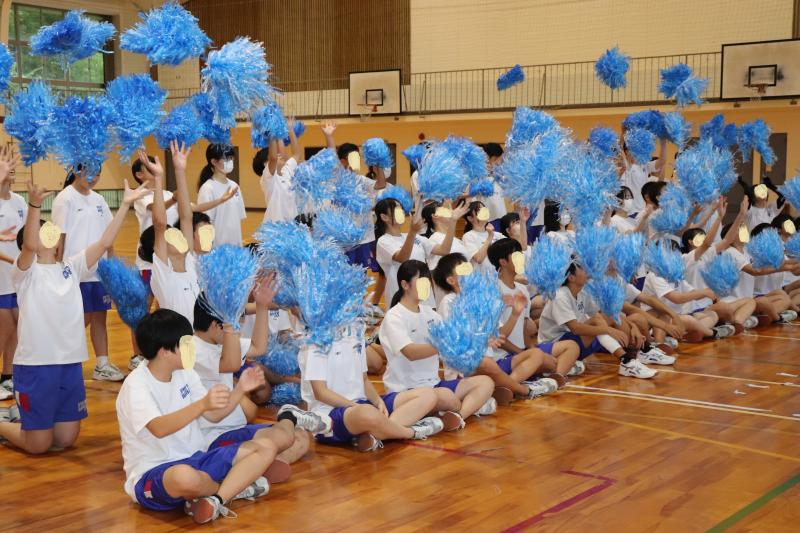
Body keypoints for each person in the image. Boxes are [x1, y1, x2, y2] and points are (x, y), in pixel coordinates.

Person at [118, 309, 321, 524]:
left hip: (198, 457)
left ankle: (217, 498)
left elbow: (213, 416)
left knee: (267, 447)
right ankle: (236, 486)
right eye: (186, 344)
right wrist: (201, 405)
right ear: (164, 352)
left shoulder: (185, 373)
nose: (192, 348)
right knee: (184, 477)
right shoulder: (136, 384)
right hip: (154, 471)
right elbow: (159, 428)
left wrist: (241, 389)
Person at [0, 177, 146, 454]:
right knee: (39, 445)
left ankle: (22, 417)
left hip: (69, 364)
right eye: (42, 233)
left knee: (66, 439)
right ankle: (4, 424)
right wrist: (34, 205)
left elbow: (104, 242)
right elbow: (29, 245)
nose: (50, 237)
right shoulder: (25, 273)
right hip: (36, 366)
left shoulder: (72, 267)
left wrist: (126, 204)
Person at [191, 287, 314, 481]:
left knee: (301, 437)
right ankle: (256, 464)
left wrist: (262, 307)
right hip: (214, 436)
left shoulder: (220, 341)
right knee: (280, 438)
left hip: (236, 426)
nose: (236, 329)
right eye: (233, 324)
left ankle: (262, 465)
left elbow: (259, 347)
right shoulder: (193, 349)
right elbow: (231, 364)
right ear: (215, 325)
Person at [434, 252, 572, 403]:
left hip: (492, 363)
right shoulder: (449, 302)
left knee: (536, 355)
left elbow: (500, 335)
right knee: (485, 363)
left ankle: (504, 387)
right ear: (451, 280)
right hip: (465, 368)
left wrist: (515, 314)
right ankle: (524, 390)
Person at [379, 260, 496, 430]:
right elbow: (410, 352)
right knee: (444, 397)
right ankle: (465, 408)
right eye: (422, 282)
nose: (427, 286)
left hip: (434, 384)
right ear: (405, 285)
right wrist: (443, 345)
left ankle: (458, 416)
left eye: (428, 282)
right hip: (406, 389)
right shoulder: (394, 316)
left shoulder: (430, 314)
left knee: (485, 382)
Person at [301, 321, 444, 452]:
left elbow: (363, 379)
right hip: (329, 414)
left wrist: (378, 401)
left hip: (362, 405)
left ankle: (376, 433)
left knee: (428, 394)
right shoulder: (316, 341)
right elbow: (321, 393)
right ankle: (412, 432)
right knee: (367, 413)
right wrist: (356, 406)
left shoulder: (355, 332)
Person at [51, 166, 122, 381]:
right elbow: (59, 237)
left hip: (99, 272)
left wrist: (112, 267)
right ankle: (60, 362)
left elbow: (109, 235)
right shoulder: (65, 199)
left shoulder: (99, 200)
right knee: (78, 320)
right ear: (76, 171)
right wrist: (57, 271)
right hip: (75, 271)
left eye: (97, 173)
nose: (93, 178)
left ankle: (102, 364)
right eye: (88, 173)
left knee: (99, 316)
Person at [538, 261, 658, 379]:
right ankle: (626, 361)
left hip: (573, 343)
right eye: (581, 268)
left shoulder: (582, 292)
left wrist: (633, 327)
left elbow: (606, 314)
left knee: (606, 317)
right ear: (571, 277)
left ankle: (641, 351)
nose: (586, 269)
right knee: (597, 321)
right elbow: (575, 328)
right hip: (555, 346)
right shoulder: (560, 296)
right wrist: (609, 330)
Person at [139, 144, 204, 325]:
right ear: (159, 249)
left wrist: (180, 171)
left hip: (199, 338)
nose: (178, 235)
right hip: (178, 339)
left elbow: (186, 217)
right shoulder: (163, 271)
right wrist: (158, 178)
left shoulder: (189, 261)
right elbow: (160, 223)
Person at [0, 147, 24, 399]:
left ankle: (7, 376)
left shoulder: (19, 202)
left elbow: (24, 238)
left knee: (17, 328)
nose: (11, 166)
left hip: (17, 278)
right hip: (1, 278)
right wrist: (13, 261)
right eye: (5, 162)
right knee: (4, 330)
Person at [197, 144, 246, 247]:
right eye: (226, 158)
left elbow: (237, 219)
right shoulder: (207, 188)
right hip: (217, 248)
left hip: (236, 247)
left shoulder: (234, 186)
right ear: (214, 162)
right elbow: (204, 225)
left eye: (231, 158)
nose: (230, 161)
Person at [257, 118, 304, 223]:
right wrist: (272, 133)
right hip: (276, 228)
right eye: (274, 154)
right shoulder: (267, 179)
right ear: (265, 164)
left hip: (293, 227)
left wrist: (290, 130)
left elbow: (296, 154)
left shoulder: (286, 171)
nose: (279, 155)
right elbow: (273, 158)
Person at [461, 200, 501, 275]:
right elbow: (479, 259)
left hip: (498, 277)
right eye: (479, 210)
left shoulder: (497, 234)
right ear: (470, 218)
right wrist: (490, 237)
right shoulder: (468, 236)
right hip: (482, 279)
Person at [479, 143, 508, 231]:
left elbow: (507, 186)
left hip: (500, 215)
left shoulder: (500, 173)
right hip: (486, 218)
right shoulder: (478, 173)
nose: (500, 163)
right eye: (498, 159)